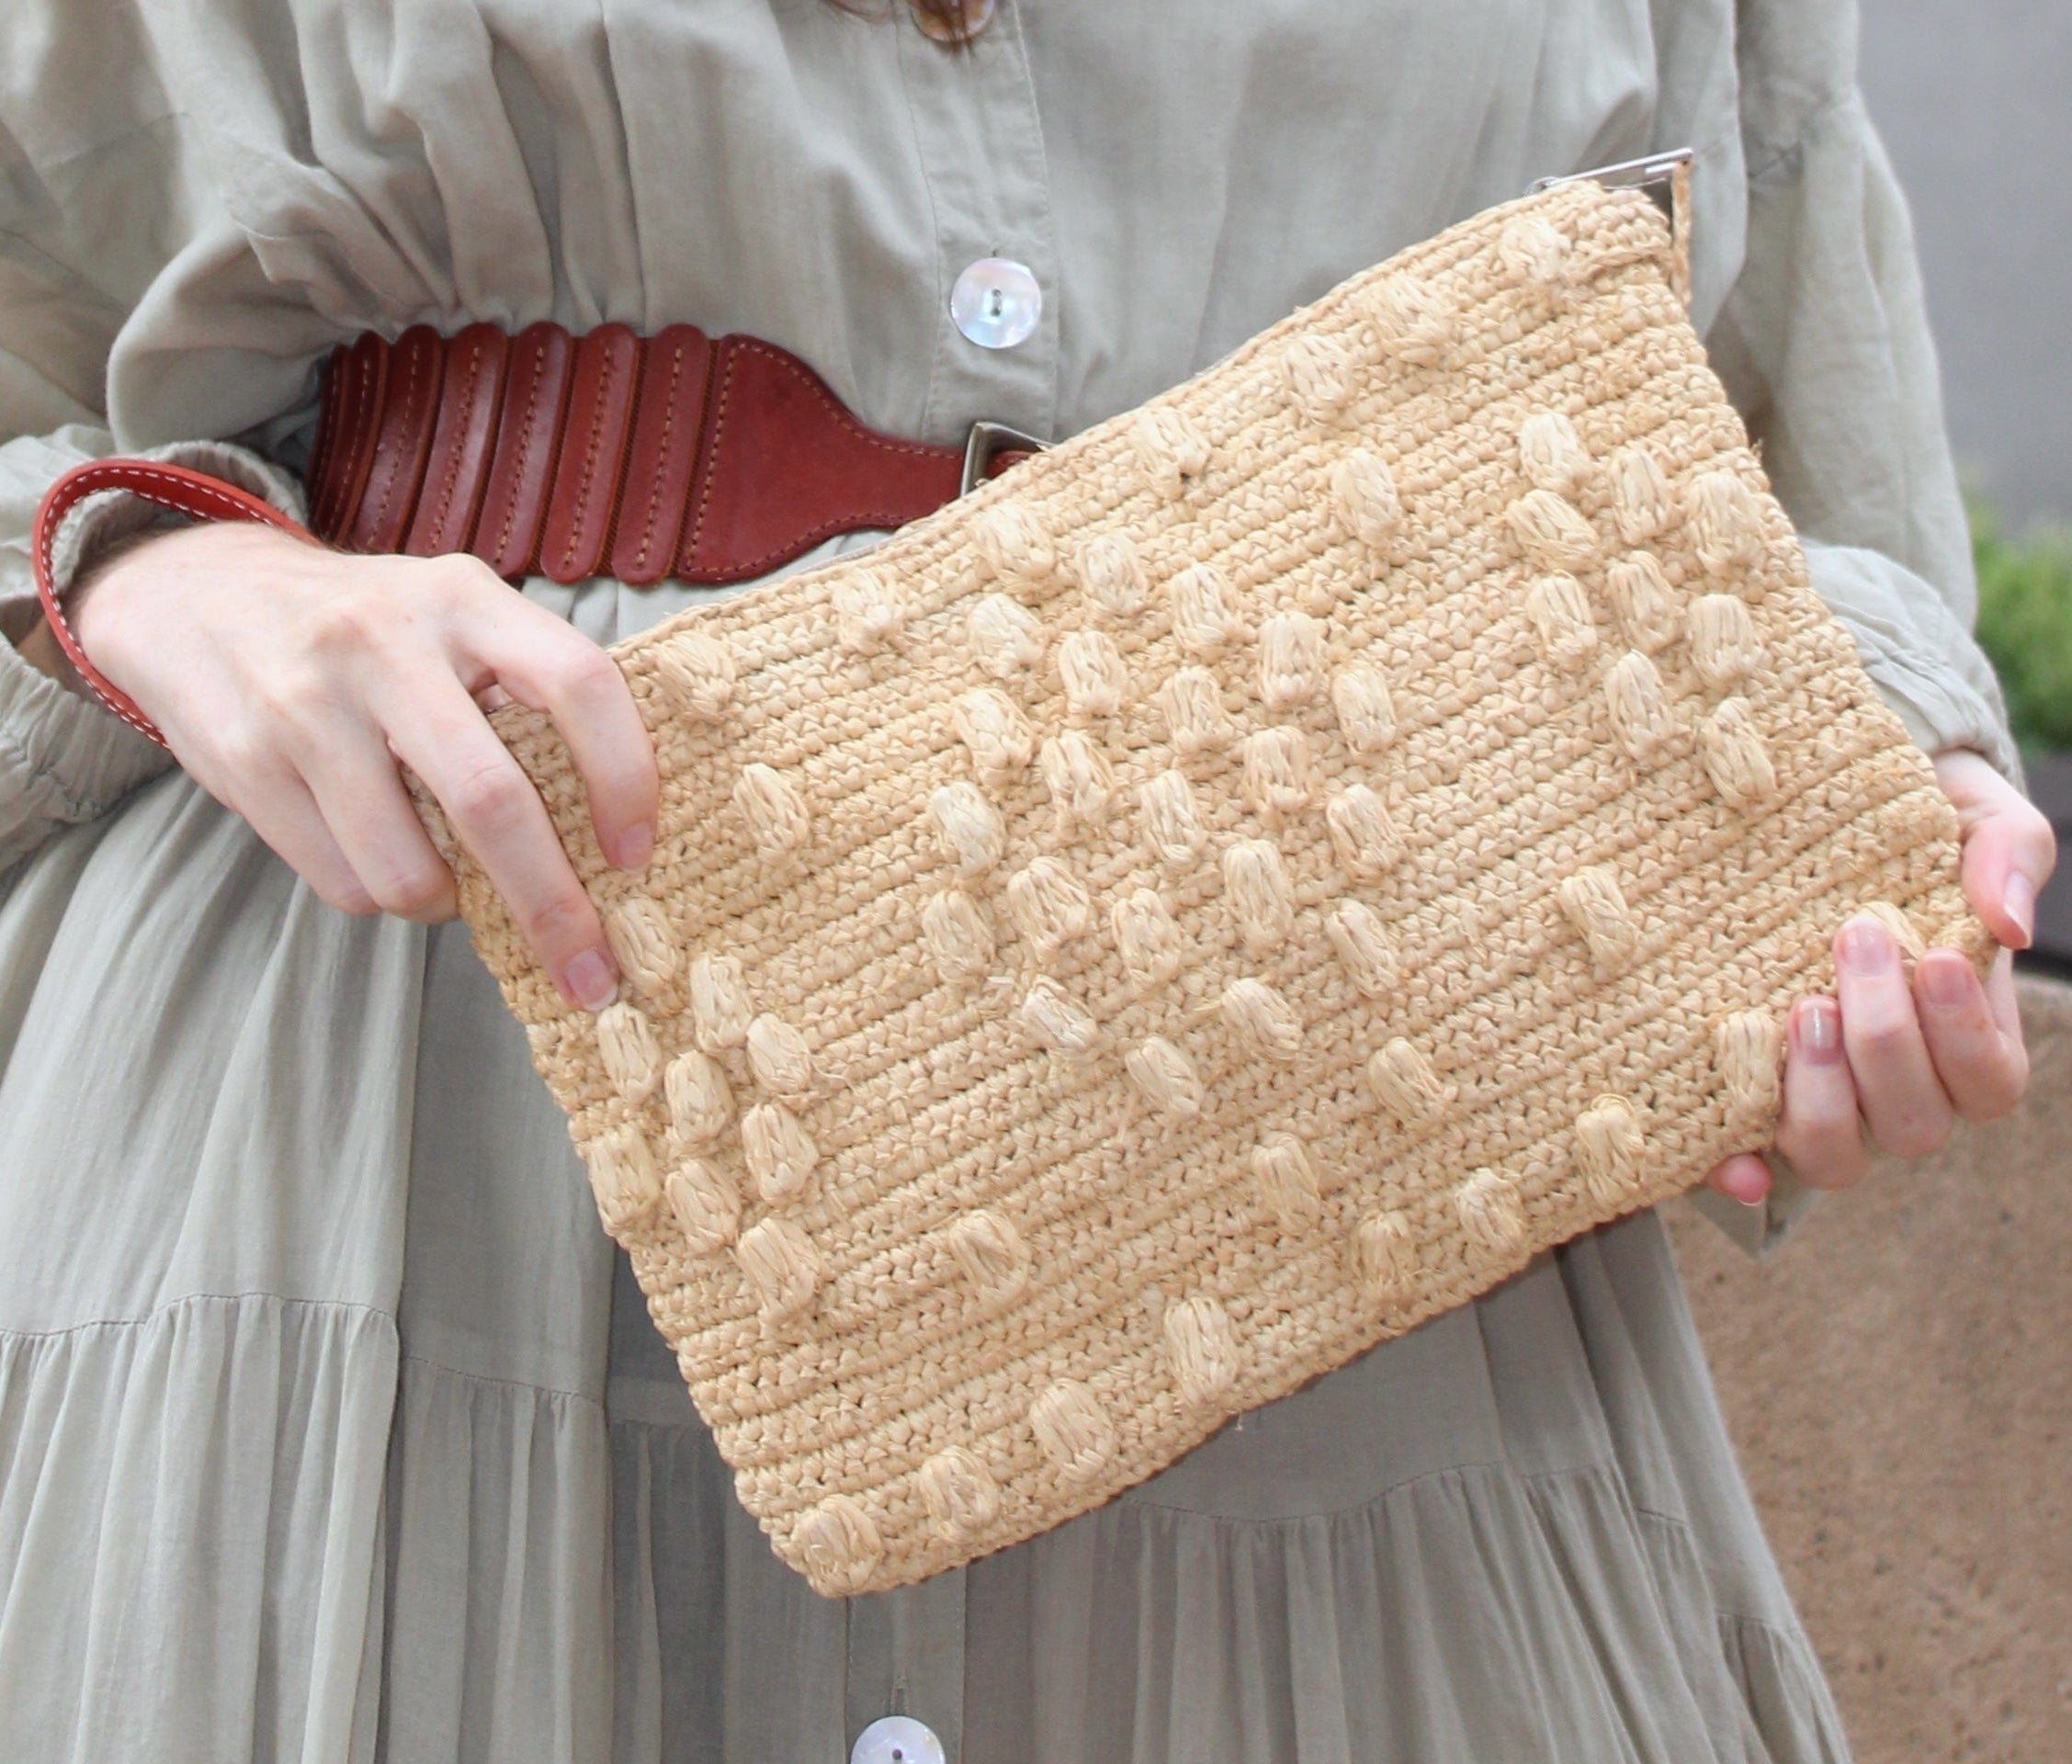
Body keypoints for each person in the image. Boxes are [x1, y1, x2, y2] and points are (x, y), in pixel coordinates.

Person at [0, 2, 2054, 1758]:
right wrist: (157, 571)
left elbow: (1784, 430)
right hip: (381, 1147)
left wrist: (1847, 824)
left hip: (1346, 1220)